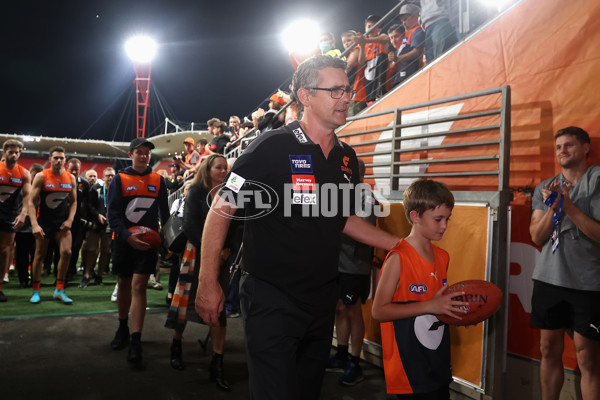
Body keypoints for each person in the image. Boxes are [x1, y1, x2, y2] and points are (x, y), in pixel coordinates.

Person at [196, 55, 401, 400]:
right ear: (305, 96)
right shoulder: (271, 146)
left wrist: (400, 244)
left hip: (322, 299)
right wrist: (207, 280)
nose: (346, 98)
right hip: (271, 298)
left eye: (347, 90)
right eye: (335, 90)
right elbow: (222, 207)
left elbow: (344, 218)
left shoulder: (348, 159)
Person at [372, 179, 467, 398]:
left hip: (437, 361)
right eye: (438, 219)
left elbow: (437, 306)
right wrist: (430, 305)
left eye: (447, 219)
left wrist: (456, 311)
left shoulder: (443, 257)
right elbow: (379, 311)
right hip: (409, 368)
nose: (444, 226)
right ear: (415, 217)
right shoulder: (398, 258)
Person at [529, 126, 600, 400]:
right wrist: (553, 207)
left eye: (569, 145)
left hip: (588, 282)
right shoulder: (545, 188)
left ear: (585, 148)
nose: (562, 151)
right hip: (549, 279)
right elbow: (537, 236)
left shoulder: (597, 181)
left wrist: (569, 207)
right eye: (558, 147)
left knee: (588, 357)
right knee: (548, 349)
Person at [165, 154, 234, 391]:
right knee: (184, 305)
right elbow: (190, 225)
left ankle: (218, 362)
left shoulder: (231, 193)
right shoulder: (196, 192)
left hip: (222, 258)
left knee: (220, 310)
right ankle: (176, 345)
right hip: (195, 254)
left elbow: (238, 225)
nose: (223, 171)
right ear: (207, 169)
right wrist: (212, 250)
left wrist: (227, 250)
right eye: (219, 167)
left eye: (226, 168)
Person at [107, 137, 169, 364]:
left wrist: (165, 242)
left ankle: (136, 339)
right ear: (131, 154)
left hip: (147, 243)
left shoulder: (158, 180)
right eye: (139, 152)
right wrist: (126, 236)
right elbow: (113, 214)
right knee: (123, 283)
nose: (144, 155)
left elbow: (165, 213)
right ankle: (122, 327)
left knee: (138, 286)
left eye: (147, 152)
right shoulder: (119, 179)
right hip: (124, 241)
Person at [327, 160, 377, 386]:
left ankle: (355, 364)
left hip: (355, 266)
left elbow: (361, 230)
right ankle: (341, 354)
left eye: (349, 172)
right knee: (339, 309)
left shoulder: (365, 196)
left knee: (353, 311)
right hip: (336, 264)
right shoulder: (339, 193)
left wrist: (329, 224)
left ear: (359, 174)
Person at [28, 146, 77, 304]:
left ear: (65, 160)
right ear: (50, 159)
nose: (58, 160)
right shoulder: (42, 176)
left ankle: (59, 290)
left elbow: (74, 202)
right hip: (44, 222)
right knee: (40, 255)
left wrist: (70, 220)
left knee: (67, 252)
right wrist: (35, 225)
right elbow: (30, 201)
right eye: (55, 157)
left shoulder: (70, 178)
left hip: (61, 223)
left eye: (61, 158)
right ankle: (36, 291)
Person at [0, 139, 31, 302]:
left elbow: (27, 196)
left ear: (20, 154)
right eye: (10, 151)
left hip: (9, 215)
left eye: (16, 152)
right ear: (4, 152)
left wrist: (23, 213)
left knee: (5, 251)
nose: (13, 154)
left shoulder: (23, 173)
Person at [80, 167, 115, 287]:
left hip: (109, 225)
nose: (110, 178)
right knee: (91, 249)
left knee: (106, 251)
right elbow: (89, 205)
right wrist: (98, 215)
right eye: (108, 176)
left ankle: (99, 276)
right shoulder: (96, 189)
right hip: (96, 224)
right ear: (103, 177)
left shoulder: (117, 190)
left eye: (112, 176)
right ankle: (86, 275)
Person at [14, 163, 43, 289]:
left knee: (37, 254)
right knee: (22, 255)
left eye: (38, 176)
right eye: (34, 175)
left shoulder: (43, 188)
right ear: (30, 173)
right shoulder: (21, 187)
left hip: (38, 226)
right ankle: (23, 279)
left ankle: (35, 279)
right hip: (23, 226)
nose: (35, 178)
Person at [355, 15, 389, 103]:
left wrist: (365, 40)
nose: (371, 29)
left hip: (382, 84)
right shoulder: (364, 44)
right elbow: (361, 62)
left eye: (374, 26)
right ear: (365, 28)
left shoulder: (381, 38)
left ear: (379, 29)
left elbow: (386, 38)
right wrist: (362, 45)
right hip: (369, 86)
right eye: (369, 26)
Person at [65, 158, 90, 282]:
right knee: (63, 248)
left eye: (77, 169)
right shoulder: (62, 180)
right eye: (71, 169)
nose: (74, 172)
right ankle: (60, 271)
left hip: (78, 221)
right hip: (62, 219)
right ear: (67, 167)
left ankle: (71, 270)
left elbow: (85, 204)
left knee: (75, 247)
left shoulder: (84, 184)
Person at [388, 5, 424, 88]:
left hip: (411, 75)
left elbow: (417, 52)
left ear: (415, 16)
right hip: (401, 77)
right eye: (402, 20)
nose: (403, 23)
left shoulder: (417, 30)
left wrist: (398, 58)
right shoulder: (407, 33)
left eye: (405, 19)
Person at [341, 30, 367, 117]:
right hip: (351, 93)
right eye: (344, 42)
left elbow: (347, 66)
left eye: (348, 40)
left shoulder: (357, 49)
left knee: (352, 120)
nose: (346, 44)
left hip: (357, 92)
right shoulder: (349, 55)